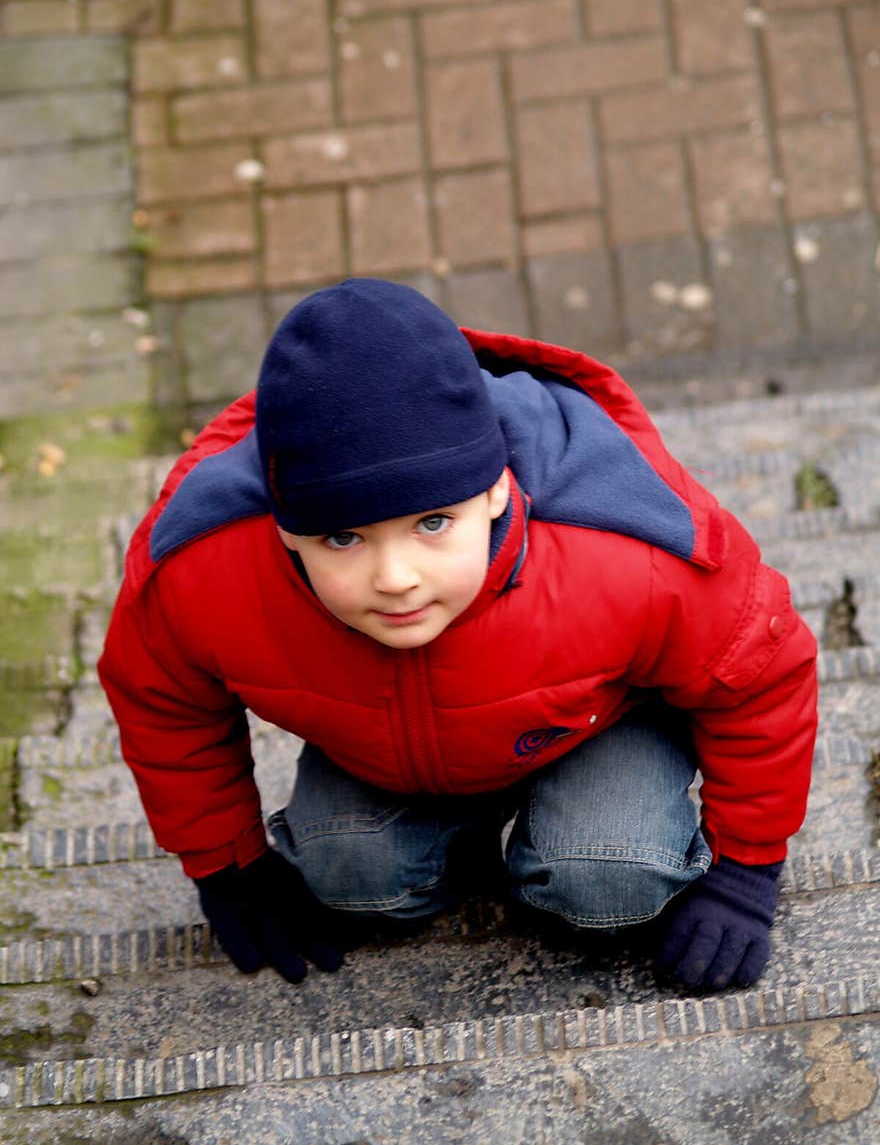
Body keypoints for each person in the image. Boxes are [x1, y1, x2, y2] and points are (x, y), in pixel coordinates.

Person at [98, 278, 818, 994]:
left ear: (497, 489)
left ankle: (567, 843)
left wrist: (744, 872)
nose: (396, 577)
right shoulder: (205, 570)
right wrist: (230, 868)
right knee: (348, 872)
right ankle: (464, 844)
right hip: (386, 746)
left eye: (433, 523)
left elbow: (760, 669)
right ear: (287, 530)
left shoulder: (625, 550)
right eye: (343, 537)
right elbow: (162, 698)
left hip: (596, 724)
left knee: (608, 879)